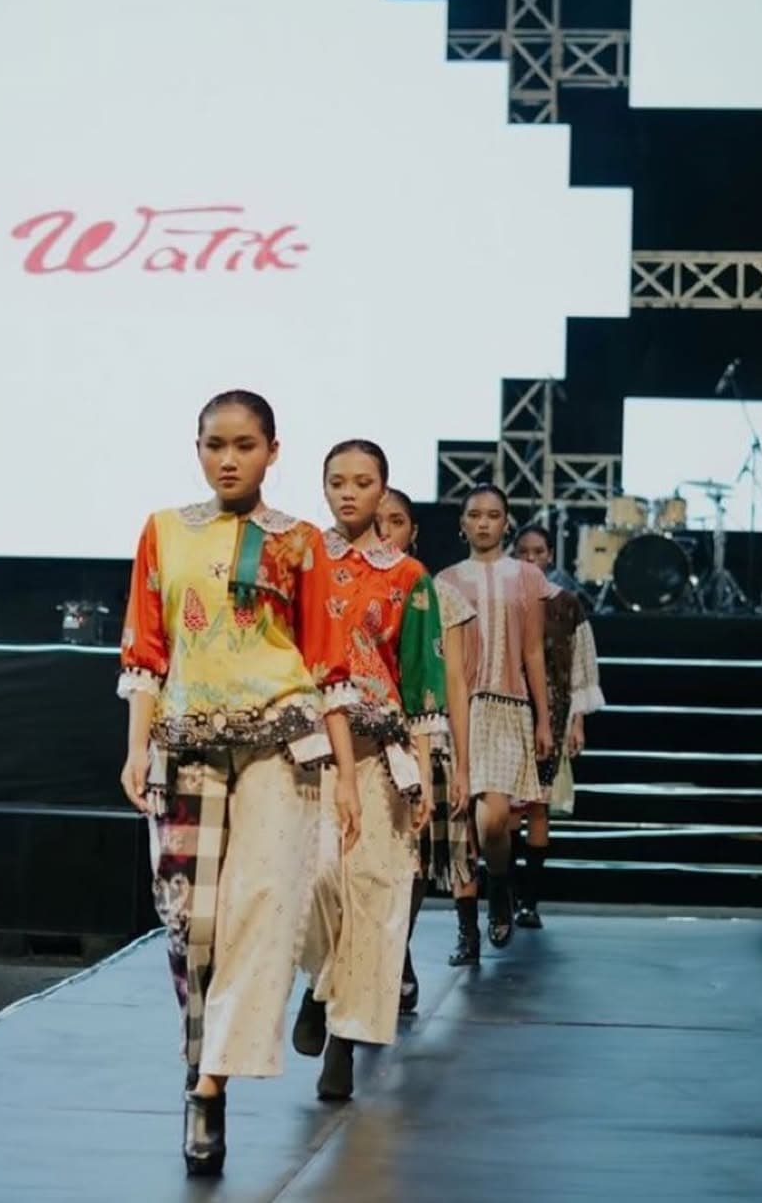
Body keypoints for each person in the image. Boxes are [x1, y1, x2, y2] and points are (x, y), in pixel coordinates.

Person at [117, 389, 361, 1178]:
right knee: (190, 921)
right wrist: (134, 747)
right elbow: (146, 650)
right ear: (197, 448)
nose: (229, 458)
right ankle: (200, 1060)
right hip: (184, 741)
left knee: (262, 909)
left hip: (282, 743)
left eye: (245, 445)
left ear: (272, 450)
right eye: (215, 444)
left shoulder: (299, 543)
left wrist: (349, 775)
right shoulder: (162, 532)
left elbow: (327, 667)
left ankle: (211, 1085)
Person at [290, 447, 448, 1099]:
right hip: (304, 752)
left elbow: (419, 683)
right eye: (337, 482)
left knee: (372, 904)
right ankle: (321, 985)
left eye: (363, 482)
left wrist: (429, 781)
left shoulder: (409, 577)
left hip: (381, 756)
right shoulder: (299, 562)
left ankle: (343, 1044)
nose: (348, 493)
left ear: (383, 490)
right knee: (318, 881)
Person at [433, 485, 554, 952]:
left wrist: (544, 719)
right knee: (465, 821)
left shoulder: (526, 577)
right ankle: (467, 930)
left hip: (508, 705)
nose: (483, 523)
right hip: (460, 708)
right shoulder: (445, 581)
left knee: (496, 818)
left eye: (493, 515)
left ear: (507, 522)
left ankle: (500, 886)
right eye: (475, 515)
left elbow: (533, 652)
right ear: (462, 523)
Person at [376, 488, 475, 997]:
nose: (385, 531)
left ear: (413, 531)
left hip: (423, 738)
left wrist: (461, 763)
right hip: (363, 735)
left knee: (414, 858)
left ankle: (399, 951)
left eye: (396, 521)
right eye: (378, 521)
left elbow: (454, 680)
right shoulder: (343, 582)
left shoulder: (439, 593)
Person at [511, 524, 605, 927]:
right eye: (524, 553)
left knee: (538, 806)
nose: (531, 560)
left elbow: (582, 664)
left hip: (551, 713)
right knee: (506, 812)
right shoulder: (504, 601)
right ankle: (507, 896)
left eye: (538, 552)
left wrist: (577, 720)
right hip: (509, 714)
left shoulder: (567, 604)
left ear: (550, 556)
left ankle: (529, 901)